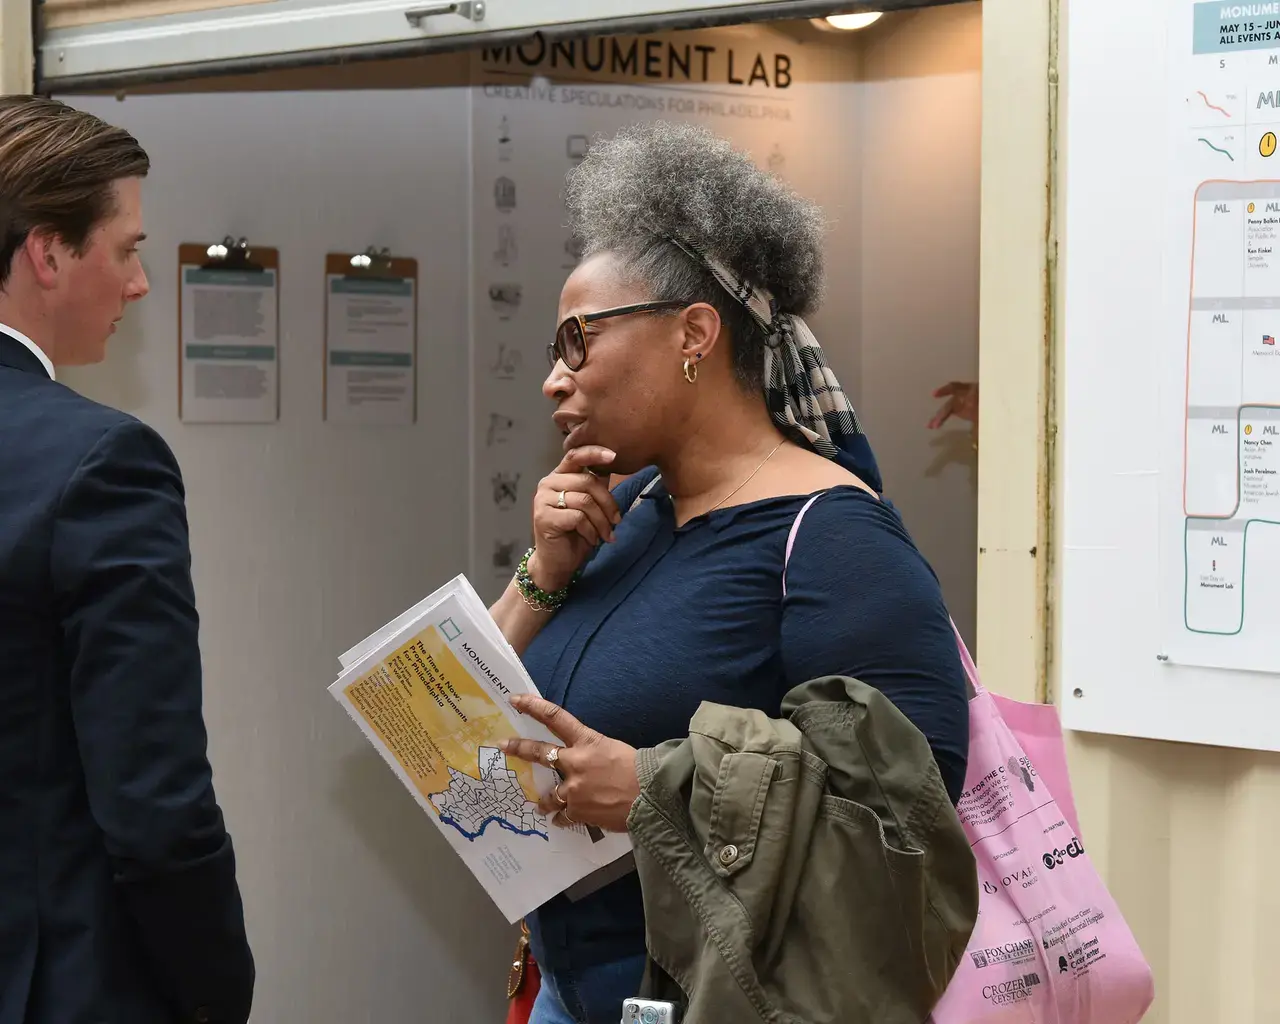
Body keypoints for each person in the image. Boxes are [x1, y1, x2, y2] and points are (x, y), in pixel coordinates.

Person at [489, 121, 970, 1024]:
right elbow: (467, 725)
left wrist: (652, 786)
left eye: (578, 340)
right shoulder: (627, 512)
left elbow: (908, 832)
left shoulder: (833, 539)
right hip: (570, 992)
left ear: (695, 335)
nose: (555, 379)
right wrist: (541, 575)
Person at [0, 96, 254, 1024]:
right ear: (48, 251)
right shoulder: (102, 463)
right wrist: (219, 989)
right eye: (128, 248)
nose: (140, 283)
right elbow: (154, 807)